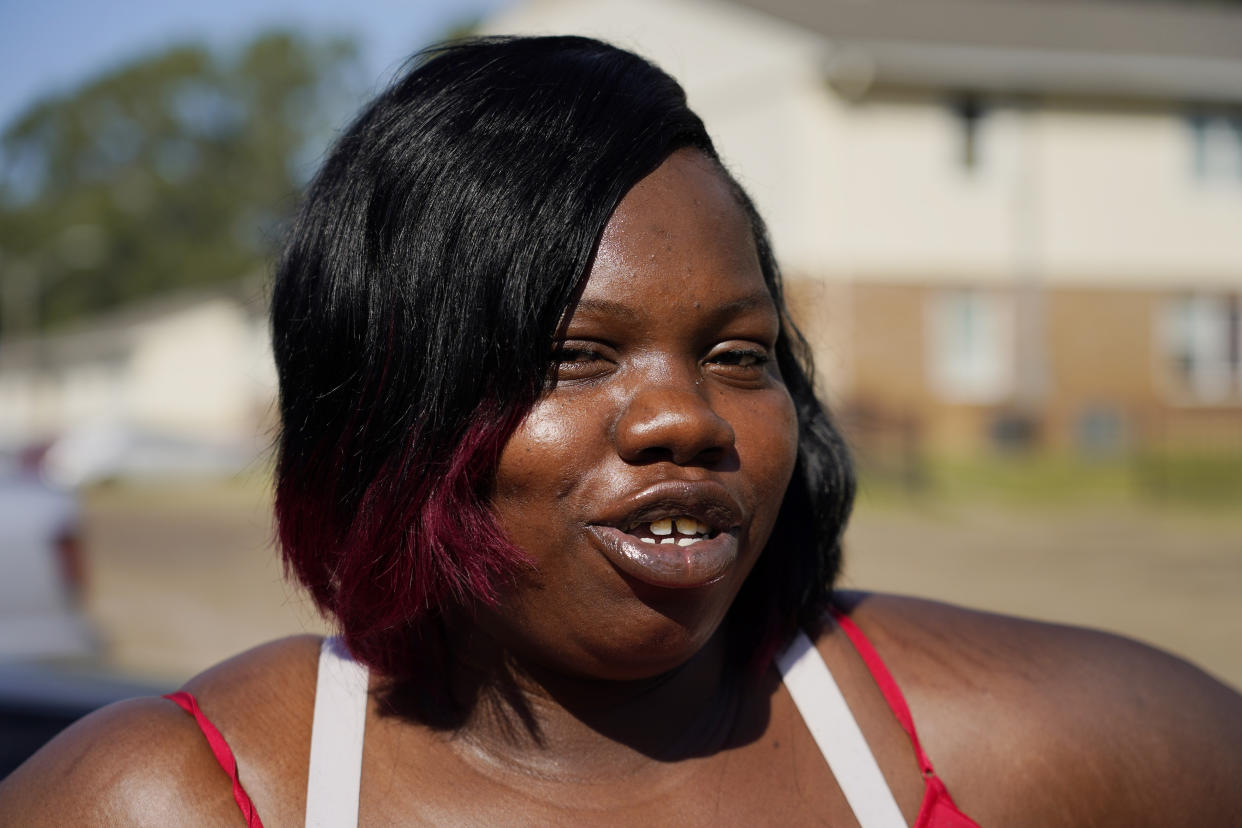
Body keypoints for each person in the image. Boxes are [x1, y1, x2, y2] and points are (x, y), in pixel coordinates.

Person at [2, 35, 1240, 827]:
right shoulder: (187, 800)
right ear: (389, 407)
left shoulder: (1014, 747)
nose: (683, 418)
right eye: (572, 356)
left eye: (738, 356)